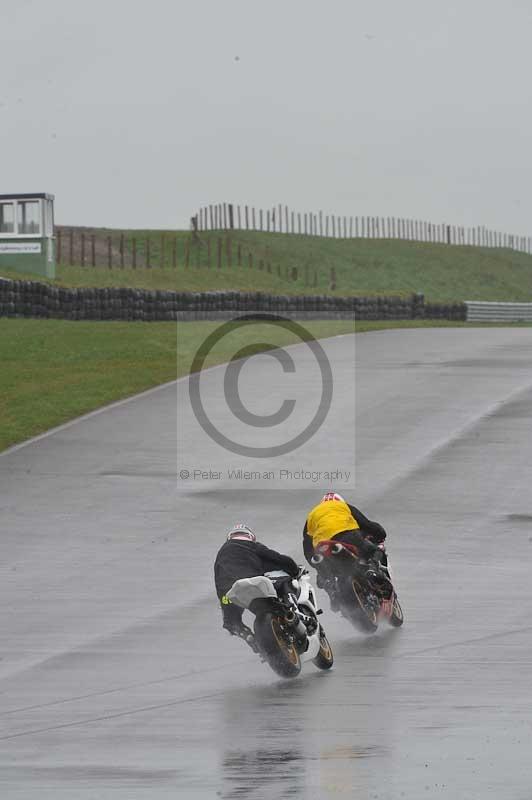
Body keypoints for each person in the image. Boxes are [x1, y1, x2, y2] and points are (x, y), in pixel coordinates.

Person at [214, 523, 300, 642]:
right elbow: (277, 558)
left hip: (229, 591)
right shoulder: (251, 545)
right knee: (285, 581)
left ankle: (247, 636)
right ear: (250, 536)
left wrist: (223, 600)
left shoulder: (221, 554)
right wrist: (294, 570)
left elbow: (218, 580)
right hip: (253, 582)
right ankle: (291, 610)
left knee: (231, 621)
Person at [303, 492, 390, 607]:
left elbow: (307, 545)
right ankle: (372, 571)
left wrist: (315, 564)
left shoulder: (312, 515)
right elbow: (366, 524)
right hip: (347, 535)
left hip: (321, 545)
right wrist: (380, 533)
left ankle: (332, 591)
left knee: (323, 574)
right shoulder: (343, 506)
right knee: (373, 551)